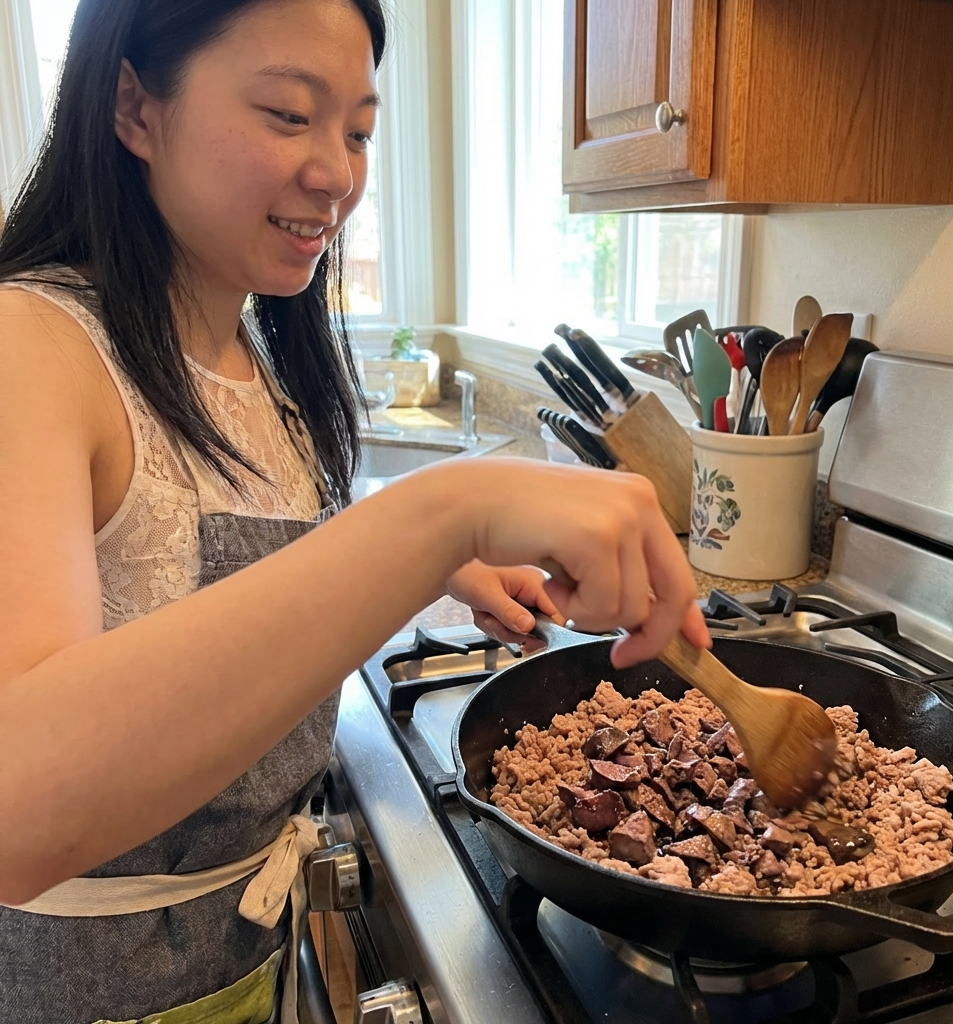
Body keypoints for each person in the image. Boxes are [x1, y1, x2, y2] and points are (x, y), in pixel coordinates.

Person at [0, 0, 709, 1020]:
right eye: (289, 114)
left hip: (237, 957)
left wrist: (434, 562)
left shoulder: (249, 349)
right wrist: (441, 516)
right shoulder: (31, 346)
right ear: (134, 107)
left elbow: (216, 540)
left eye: (360, 131)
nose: (337, 172)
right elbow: (17, 813)